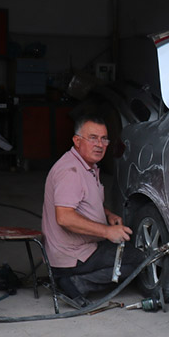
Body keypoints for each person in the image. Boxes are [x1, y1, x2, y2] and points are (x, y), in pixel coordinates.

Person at [42, 115, 143, 304]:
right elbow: (64, 218)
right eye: (93, 138)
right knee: (138, 260)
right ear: (77, 140)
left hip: (80, 249)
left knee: (125, 249)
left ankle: (70, 280)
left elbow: (82, 201)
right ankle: (75, 283)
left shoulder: (86, 166)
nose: (100, 144)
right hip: (73, 256)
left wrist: (107, 214)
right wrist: (106, 231)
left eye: (104, 138)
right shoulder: (70, 172)